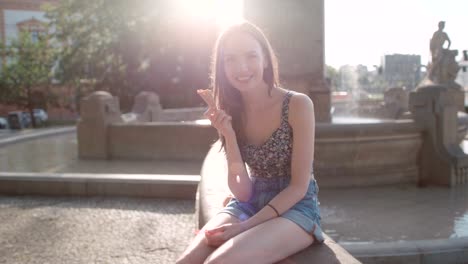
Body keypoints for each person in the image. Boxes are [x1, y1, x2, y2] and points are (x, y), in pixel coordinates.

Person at [176, 21, 323, 264]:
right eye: (230, 59)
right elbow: (243, 191)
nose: (241, 67)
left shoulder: (298, 105)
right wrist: (229, 135)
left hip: (296, 208)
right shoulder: (232, 110)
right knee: (186, 261)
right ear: (222, 67)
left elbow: (299, 187)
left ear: (266, 59)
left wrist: (244, 227)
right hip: (250, 201)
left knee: (219, 262)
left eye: (251, 56)